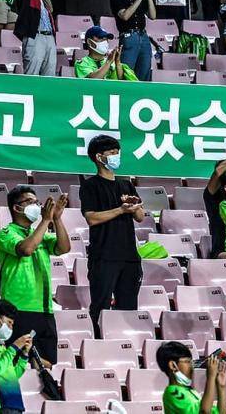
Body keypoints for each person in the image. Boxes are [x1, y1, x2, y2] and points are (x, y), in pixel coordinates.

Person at [0, 186, 69, 365]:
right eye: (30, 202)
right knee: (17, 363)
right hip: (17, 308)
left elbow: (64, 247)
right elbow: (26, 249)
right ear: (16, 208)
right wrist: (45, 221)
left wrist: (57, 219)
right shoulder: (6, 233)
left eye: (37, 202)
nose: (36, 206)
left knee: (45, 365)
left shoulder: (41, 235)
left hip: (44, 309)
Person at [80, 135, 145, 329]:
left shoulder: (126, 184)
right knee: (100, 305)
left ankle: (123, 343)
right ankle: (97, 344)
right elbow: (91, 218)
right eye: (112, 153)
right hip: (104, 256)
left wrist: (134, 206)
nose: (117, 156)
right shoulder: (90, 185)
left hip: (129, 256)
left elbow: (140, 217)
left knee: (128, 307)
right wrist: (121, 209)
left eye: (118, 152)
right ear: (99, 157)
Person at [0, 298, 33, 414]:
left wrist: (24, 354)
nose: (11, 328)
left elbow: (14, 375)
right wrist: (14, 346)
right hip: (2, 405)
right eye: (9, 323)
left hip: (16, 404)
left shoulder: (3, 348)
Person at [110, 0, 156, 81]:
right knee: (127, 72)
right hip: (129, 38)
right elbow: (125, 16)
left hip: (144, 37)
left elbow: (153, 16)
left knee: (144, 73)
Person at [156, 341, 226, 414]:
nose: (191, 366)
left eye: (191, 362)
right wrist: (211, 377)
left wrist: (221, 387)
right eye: (187, 362)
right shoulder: (172, 392)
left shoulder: (192, 392)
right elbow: (204, 411)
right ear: (173, 365)